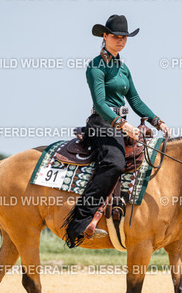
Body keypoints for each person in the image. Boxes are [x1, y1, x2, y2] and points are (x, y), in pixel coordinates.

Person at [63, 14, 170, 248]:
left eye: (124, 37)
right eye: (116, 36)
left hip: (120, 124)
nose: (121, 41)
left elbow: (135, 100)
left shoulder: (123, 68)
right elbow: (100, 103)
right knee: (114, 163)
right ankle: (80, 222)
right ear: (105, 36)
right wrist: (123, 125)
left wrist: (157, 121)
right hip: (101, 123)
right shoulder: (95, 66)